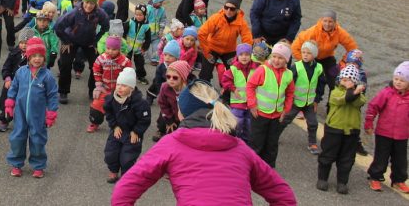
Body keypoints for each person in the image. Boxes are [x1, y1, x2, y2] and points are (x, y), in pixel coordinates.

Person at [110, 80, 296, 205]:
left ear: (182, 112)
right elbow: (282, 193)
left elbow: (125, 189)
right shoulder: (240, 148)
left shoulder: (171, 144)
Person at [4, 37, 59, 179]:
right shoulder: (21, 72)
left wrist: (51, 113)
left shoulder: (47, 76)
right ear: (28, 57)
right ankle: (16, 163)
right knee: (17, 137)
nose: (37, 59)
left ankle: (38, 165)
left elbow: (53, 95)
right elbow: (14, 88)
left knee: (38, 139)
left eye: (40, 56)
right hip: (20, 113)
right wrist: (10, 102)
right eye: (34, 56)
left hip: (38, 115)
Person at [317, 64, 367, 195]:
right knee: (327, 155)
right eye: (343, 79)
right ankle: (322, 178)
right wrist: (353, 91)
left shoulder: (359, 96)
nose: (345, 81)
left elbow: (358, 102)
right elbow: (342, 100)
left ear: (355, 82)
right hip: (334, 128)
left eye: (349, 79)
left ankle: (342, 182)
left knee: (347, 158)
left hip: (351, 131)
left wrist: (355, 92)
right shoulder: (335, 91)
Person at [54, 0, 110, 104]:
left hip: (89, 42)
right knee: (65, 64)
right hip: (71, 40)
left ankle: (93, 90)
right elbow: (58, 26)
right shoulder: (74, 13)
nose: (89, 6)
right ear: (83, 1)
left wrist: (95, 41)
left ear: (96, 4)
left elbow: (106, 27)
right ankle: (63, 91)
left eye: (92, 3)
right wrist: (65, 41)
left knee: (97, 65)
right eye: (87, 2)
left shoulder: (100, 13)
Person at [246, 43, 295, 168]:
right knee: (257, 142)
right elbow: (250, 86)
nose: (276, 60)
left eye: (280, 58)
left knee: (272, 144)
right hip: (260, 114)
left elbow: (290, 93)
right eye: (274, 56)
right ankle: (253, 167)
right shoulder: (263, 70)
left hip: (277, 116)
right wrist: (252, 105)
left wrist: (286, 110)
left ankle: (268, 168)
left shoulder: (288, 74)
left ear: (286, 60)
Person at [365, 61, 409, 193]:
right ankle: (375, 177)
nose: (398, 82)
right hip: (384, 132)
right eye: (396, 79)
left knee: (400, 159)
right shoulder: (387, 93)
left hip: (402, 134)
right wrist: (369, 123)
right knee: (381, 156)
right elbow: (373, 107)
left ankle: (398, 180)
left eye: (402, 80)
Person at [103, 67, 151, 183]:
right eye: (118, 84)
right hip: (118, 130)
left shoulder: (140, 103)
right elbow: (108, 112)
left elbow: (144, 119)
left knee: (127, 157)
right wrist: (114, 126)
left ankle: (126, 175)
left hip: (132, 133)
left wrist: (137, 131)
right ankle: (113, 171)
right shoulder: (112, 99)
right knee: (110, 153)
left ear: (131, 88)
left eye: (124, 85)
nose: (119, 88)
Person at [292, 10, 358, 91]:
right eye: (325, 21)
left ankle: (332, 102)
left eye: (330, 21)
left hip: (328, 58)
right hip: (312, 58)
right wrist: (304, 60)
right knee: (311, 80)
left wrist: (343, 63)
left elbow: (353, 48)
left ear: (335, 22)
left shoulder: (340, 32)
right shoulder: (312, 31)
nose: (327, 24)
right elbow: (295, 47)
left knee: (334, 80)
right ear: (321, 20)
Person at [279, 40, 326, 154]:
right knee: (285, 120)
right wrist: (287, 99)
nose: (305, 55)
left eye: (308, 53)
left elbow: (321, 85)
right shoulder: (297, 66)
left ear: (314, 55)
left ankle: (312, 143)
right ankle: (274, 137)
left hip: (309, 102)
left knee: (313, 123)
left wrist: (316, 100)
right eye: (303, 52)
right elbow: (289, 83)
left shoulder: (319, 68)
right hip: (295, 101)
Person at [197, 0, 252, 82]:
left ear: (237, 10)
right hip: (212, 48)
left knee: (234, 72)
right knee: (205, 74)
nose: (228, 11)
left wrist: (243, 54)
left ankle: (227, 93)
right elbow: (201, 33)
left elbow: (247, 39)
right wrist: (206, 52)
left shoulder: (241, 22)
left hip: (229, 50)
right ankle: (203, 89)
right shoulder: (216, 18)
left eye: (232, 9)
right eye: (226, 7)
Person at [87, 36, 132, 133]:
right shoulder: (101, 58)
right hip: (105, 87)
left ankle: (121, 126)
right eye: (108, 48)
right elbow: (96, 70)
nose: (110, 51)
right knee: (96, 105)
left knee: (123, 108)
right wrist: (98, 84)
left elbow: (129, 74)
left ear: (119, 49)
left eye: (114, 49)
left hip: (120, 89)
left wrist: (128, 87)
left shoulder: (125, 61)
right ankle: (95, 122)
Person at [219, 43, 258, 143]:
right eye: (241, 55)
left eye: (247, 54)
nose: (244, 57)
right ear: (237, 56)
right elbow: (225, 80)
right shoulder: (233, 69)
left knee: (249, 123)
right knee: (237, 122)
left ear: (251, 55)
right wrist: (233, 89)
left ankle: (246, 142)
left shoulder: (256, 68)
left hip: (251, 102)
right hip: (237, 101)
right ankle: (236, 139)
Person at [0, 28, 33, 132]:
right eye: (22, 43)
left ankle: (22, 122)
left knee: (22, 104)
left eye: (26, 43)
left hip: (25, 84)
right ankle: (5, 119)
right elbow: (6, 67)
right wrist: (7, 78)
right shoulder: (14, 52)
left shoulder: (33, 56)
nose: (24, 45)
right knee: (5, 101)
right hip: (11, 82)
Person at [153, 60, 192, 142]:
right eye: (168, 76)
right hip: (170, 111)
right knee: (162, 119)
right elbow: (163, 104)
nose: (171, 79)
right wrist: (169, 120)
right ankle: (161, 130)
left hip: (185, 115)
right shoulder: (165, 87)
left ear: (183, 77)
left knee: (182, 136)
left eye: (175, 77)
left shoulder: (190, 90)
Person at [125, 4, 151, 85]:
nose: (138, 16)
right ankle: (124, 75)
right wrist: (122, 43)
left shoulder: (147, 26)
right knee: (125, 61)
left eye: (140, 15)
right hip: (127, 47)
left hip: (139, 49)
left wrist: (144, 48)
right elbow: (124, 32)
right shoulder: (130, 22)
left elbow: (148, 39)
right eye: (136, 14)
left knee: (140, 63)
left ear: (144, 15)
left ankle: (140, 76)